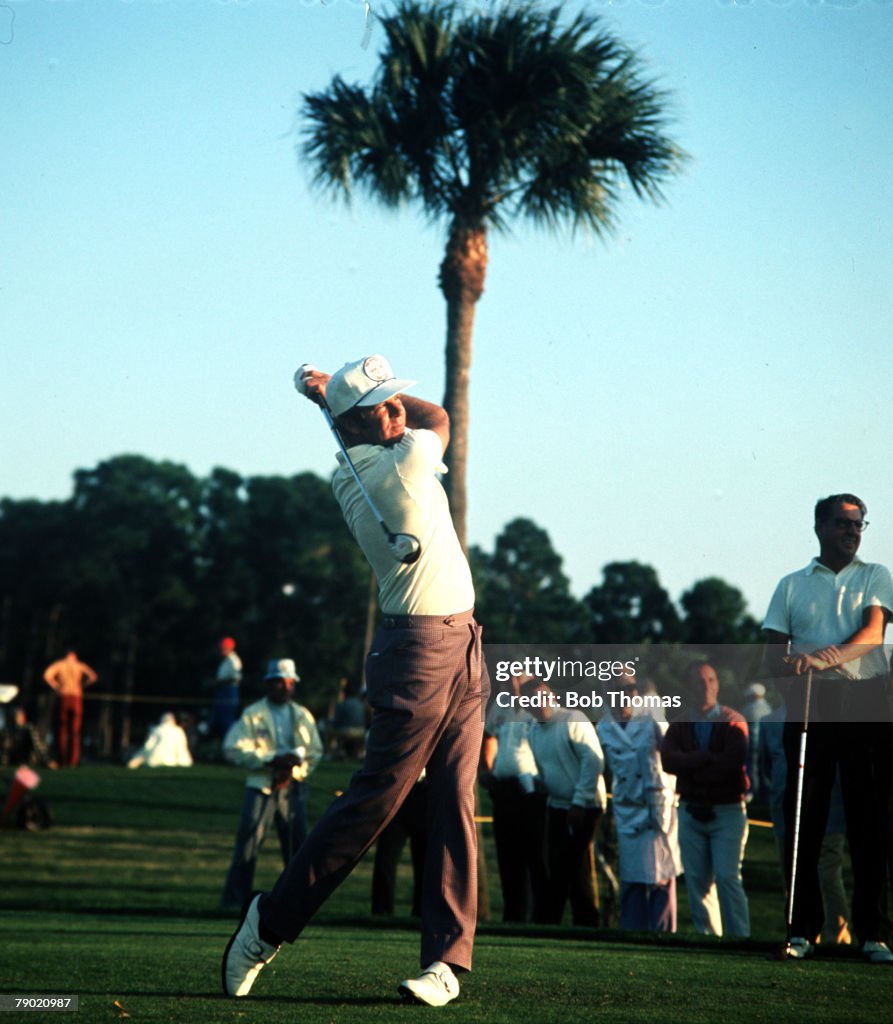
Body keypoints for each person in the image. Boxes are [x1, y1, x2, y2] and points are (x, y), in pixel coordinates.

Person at [222, 356, 489, 1007]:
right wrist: (331, 401)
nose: (399, 410)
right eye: (384, 405)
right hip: (419, 652)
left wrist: (330, 400)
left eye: (397, 399)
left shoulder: (365, 458)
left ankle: (444, 964)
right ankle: (268, 923)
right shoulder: (399, 463)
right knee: (376, 801)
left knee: (455, 799)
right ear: (359, 425)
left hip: (464, 642)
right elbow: (440, 418)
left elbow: (395, 419)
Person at [763, 493, 893, 963]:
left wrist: (819, 658)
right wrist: (793, 671)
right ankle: (802, 930)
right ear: (820, 526)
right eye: (842, 523)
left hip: (865, 701)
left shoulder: (875, 575)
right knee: (805, 818)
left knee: (870, 820)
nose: (852, 531)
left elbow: (872, 635)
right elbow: (773, 653)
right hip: (809, 704)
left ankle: (874, 933)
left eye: (859, 524)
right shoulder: (792, 585)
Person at [220, 658, 323, 911]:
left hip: (294, 788)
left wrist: (292, 769)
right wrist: (270, 762)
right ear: (269, 684)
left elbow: (315, 751)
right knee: (248, 845)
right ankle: (235, 902)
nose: (285, 687)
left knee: (297, 849)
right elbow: (232, 749)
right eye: (279, 682)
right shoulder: (253, 714)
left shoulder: (301, 715)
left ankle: (298, 903)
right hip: (260, 787)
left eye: (289, 683)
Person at [661, 662, 751, 938]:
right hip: (691, 809)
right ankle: (709, 938)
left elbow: (731, 762)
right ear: (689, 686)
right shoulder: (680, 724)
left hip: (726, 810)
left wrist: (692, 768)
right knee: (698, 882)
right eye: (700, 682)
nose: (706, 687)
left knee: (727, 877)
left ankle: (740, 937)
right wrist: (700, 759)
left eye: (711, 680)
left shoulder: (732, 720)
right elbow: (668, 759)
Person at [758, 704, 851, 945]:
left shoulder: (830, 712)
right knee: (794, 873)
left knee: (828, 872)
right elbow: (766, 766)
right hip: (786, 809)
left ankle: (838, 937)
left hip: (830, 808)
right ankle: (806, 933)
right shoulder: (770, 720)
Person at [598, 675, 681, 932]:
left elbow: (670, 751)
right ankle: (631, 932)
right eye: (618, 689)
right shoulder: (604, 726)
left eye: (630, 688)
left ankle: (663, 934)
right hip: (628, 806)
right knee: (632, 877)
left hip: (657, 804)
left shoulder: (651, 716)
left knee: (661, 876)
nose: (625, 694)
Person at [526, 679, 606, 927]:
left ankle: (580, 922)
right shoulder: (533, 732)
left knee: (571, 867)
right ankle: (561, 923)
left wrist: (579, 802)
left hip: (586, 805)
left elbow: (593, 762)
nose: (540, 703)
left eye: (543, 696)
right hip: (558, 806)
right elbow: (545, 769)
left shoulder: (573, 719)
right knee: (562, 868)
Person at [479, 675, 549, 924]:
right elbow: (487, 736)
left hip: (530, 790)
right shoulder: (502, 705)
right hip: (503, 789)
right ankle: (513, 915)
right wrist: (485, 770)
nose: (513, 682)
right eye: (510, 678)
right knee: (508, 856)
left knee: (535, 855)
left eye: (520, 678)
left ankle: (540, 918)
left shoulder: (539, 709)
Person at [371, 771, 428, 917]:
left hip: (425, 791)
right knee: (385, 859)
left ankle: (421, 912)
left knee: (424, 861)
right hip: (397, 789)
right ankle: (381, 911)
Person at [42, 650, 98, 767]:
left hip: (64, 696)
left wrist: (56, 686)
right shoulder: (79, 665)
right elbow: (92, 676)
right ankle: (73, 760)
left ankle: (61, 759)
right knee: (75, 730)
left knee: (62, 729)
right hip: (76, 697)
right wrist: (82, 685)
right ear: (74, 656)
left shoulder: (60, 664)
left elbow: (47, 675)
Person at [126, 712, 193, 769]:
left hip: (153, 762)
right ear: (173, 720)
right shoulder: (178, 731)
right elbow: (182, 748)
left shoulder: (156, 730)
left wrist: (137, 757)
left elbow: (147, 747)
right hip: (171, 762)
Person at [740, 682, 772, 801]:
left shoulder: (749, 708)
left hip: (753, 742)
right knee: (763, 768)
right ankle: (764, 793)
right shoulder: (768, 707)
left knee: (752, 768)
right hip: (765, 742)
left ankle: (753, 792)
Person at [210, 637, 242, 740]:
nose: (221, 650)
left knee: (228, 720)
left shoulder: (234, 661)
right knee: (219, 720)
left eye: (223, 648)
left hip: (229, 691)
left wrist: (219, 682)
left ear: (229, 648)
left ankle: (229, 744)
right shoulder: (225, 661)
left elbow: (235, 679)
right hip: (221, 692)